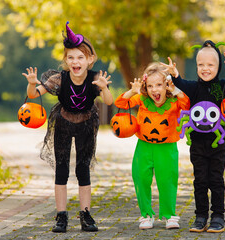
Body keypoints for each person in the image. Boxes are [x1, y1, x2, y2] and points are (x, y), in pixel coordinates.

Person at [22, 22, 113, 233]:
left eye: (80, 57)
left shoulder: (96, 78)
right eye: (71, 57)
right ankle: (61, 216)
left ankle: (86, 214)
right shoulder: (59, 79)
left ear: (90, 59)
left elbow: (108, 101)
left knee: (83, 170)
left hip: (86, 125)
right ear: (66, 60)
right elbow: (34, 95)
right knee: (61, 170)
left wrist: (104, 88)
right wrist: (31, 83)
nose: (75, 61)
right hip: (63, 122)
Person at [160, 40, 225, 233]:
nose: (205, 69)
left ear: (218, 67)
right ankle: (201, 216)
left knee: (216, 180)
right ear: (196, 66)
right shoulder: (193, 88)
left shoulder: (221, 87)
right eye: (201, 65)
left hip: (218, 144)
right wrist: (175, 74)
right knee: (200, 180)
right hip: (197, 144)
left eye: (210, 65)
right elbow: (179, 83)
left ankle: (218, 216)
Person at [114, 63, 190, 230]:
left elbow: (187, 105)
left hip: (167, 147)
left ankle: (169, 215)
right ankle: (146, 214)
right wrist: (132, 91)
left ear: (166, 85)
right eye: (150, 86)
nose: (154, 90)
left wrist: (176, 90)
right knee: (141, 178)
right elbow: (121, 103)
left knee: (167, 180)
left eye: (159, 85)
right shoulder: (142, 99)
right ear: (145, 87)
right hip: (144, 146)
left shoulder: (174, 101)